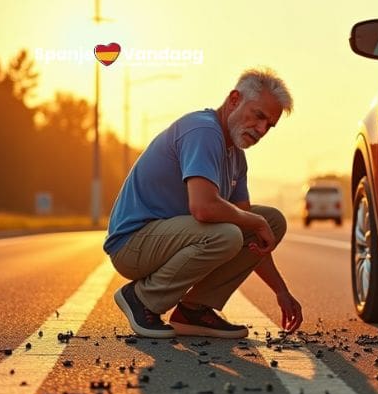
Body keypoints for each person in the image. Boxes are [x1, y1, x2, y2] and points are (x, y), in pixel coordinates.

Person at [103, 67, 302, 339]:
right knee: (228, 234)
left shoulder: (236, 157)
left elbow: (252, 234)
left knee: (272, 220)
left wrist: (281, 291)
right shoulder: (203, 130)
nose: (261, 129)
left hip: (167, 240)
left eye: (269, 125)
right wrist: (255, 221)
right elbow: (204, 207)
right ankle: (142, 299)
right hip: (133, 244)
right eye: (258, 116)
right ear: (234, 100)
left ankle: (194, 310)